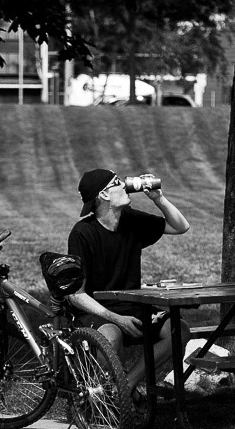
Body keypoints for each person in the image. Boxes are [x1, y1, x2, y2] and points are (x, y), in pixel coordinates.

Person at [66, 168, 190, 395]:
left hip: (131, 307)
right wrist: (116, 319)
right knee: (111, 336)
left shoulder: (130, 220)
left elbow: (180, 226)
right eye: (116, 182)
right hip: (98, 311)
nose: (124, 184)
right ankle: (101, 396)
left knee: (178, 329)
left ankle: (125, 387)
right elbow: (76, 294)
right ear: (103, 195)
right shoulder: (82, 233)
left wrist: (158, 198)